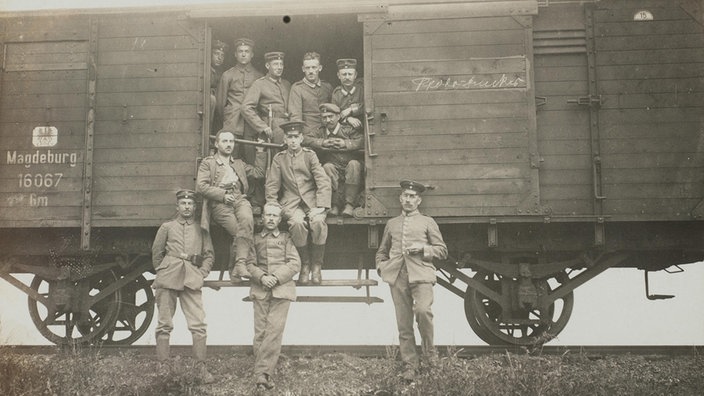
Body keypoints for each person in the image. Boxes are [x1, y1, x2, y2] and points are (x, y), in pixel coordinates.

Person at [375, 180, 448, 382]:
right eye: (405, 196)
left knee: (423, 312)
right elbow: (381, 251)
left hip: (422, 273)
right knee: (403, 322)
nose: (408, 200)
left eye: (412, 196)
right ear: (400, 198)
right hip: (398, 276)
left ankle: (430, 358)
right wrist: (381, 267)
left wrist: (423, 249)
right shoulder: (392, 224)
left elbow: (442, 250)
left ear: (419, 200)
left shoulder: (427, 222)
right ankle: (410, 365)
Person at [151, 189, 215, 384]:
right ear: (177, 206)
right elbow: (156, 253)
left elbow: (209, 255)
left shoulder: (201, 228)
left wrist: (201, 273)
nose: (187, 207)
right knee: (164, 323)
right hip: (168, 277)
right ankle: (163, 366)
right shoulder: (167, 227)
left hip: (192, 278)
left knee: (198, 324)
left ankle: (200, 369)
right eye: (183, 204)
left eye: (190, 204)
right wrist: (163, 270)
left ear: (195, 207)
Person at [196, 130, 266, 282]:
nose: (229, 145)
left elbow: (259, 173)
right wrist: (222, 195)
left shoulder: (239, 164)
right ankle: (236, 267)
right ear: (217, 144)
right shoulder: (208, 163)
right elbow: (201, 187)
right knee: (237, 230)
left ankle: (239, 264)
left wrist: (260, 151)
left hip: (239, 199)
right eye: (225, 141)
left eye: (231, 141)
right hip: (219, 204)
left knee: (247, 221)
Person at [265, 121, 331, 285]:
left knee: (318, 223)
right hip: (291, 202)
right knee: (296, 223)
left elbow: (322, 180)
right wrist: (272, 205)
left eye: (296, 137)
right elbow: (272, 184)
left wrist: (321, 206)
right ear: (285, 139)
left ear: (301, 138)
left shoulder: (310, 155)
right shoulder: (279, 158)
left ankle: (317, 265)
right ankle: (305, 264)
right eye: (289, 137)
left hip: (311, 201)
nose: (293, 140)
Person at [245, 201, 301, 390]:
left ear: (279, 219)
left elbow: (294, 264)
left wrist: (275, 278)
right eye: (267, 215)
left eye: (274, 216)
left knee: (274, 330)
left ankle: (262, 374)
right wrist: (262, 277)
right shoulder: (254, 239)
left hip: (282, 289)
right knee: (260, 332)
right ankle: (262, 371)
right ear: (262, 218)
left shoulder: (286, 238)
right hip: (260, 289)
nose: (270, 219)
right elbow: (249, 263)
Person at [303, 103, 363, 217]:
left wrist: (345, 143)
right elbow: (305, 139)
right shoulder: (320, 132)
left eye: (331, 116)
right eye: (324, 117)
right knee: (327, 167)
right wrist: (322, 142)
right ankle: (334, 204)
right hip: (333, 165)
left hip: (348, 165)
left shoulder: (347, 130)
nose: (328, 120)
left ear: (338, 117)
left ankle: (349, 204)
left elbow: (361, 139)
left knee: (354, 165)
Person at [215, 38, 263, 163]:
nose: (243, 54)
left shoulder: (259, 76)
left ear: (252, 55)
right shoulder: (228, 75)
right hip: (232, 121)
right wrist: (228, 117)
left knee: (251, 155)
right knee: (231, 155)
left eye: (246, 51)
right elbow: (220, 104)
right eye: (240, 51)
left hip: (251, 123)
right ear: (235, 54)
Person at [242, 51, 291, 146]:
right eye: (276, 64)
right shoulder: (259, 84)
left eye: (281, 64)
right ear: (268, 66)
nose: (279, 67)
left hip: (288, 127)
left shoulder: (287, 84)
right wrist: (262, 126)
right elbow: (246, 108)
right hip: (271, 127)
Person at [288, 52, 333, 136]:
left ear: (320, 68)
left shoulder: (327, 87)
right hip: (308, 134)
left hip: (328, 133)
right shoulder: (297, 88)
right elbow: (295, 117)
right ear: (303, 69)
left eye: (314, 67)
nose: (311, 71)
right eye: (307, 68)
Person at [331, 58, 364, 129]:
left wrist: (351, 109)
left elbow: (366, 106)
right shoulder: (336, 94)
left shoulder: (362, 89)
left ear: (355, 75)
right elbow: (334, 115)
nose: (347, 77)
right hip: (344, 130)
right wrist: (348, 119)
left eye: (350, 74)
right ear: (338, 75)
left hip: (362, 129)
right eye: (344, 74)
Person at [210, 39, 228, 132]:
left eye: (222, 55)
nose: (219, 58)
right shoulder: (206, 69)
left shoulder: (222, 72)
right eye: (216, 54)